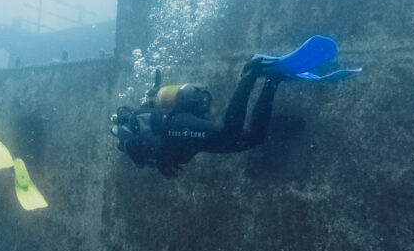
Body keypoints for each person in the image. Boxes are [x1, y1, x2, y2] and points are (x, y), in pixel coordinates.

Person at [110, 36, 359, 177]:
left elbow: (163, 150)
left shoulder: (148, 136)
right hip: (182, 138)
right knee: (250, 139)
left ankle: (250, 72)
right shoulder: (144, 148)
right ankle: (272, 80)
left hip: (173, 127)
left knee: (227, 133)